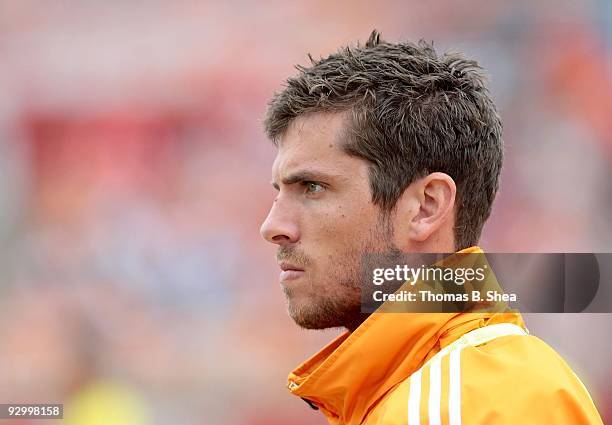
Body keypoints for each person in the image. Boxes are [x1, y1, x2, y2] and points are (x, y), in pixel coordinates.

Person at [259, 30, 603, 425]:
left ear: (426, 207)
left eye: (313, 187)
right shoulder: (421, 393)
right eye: (279, 191)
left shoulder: (488, 399)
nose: (273, 226)